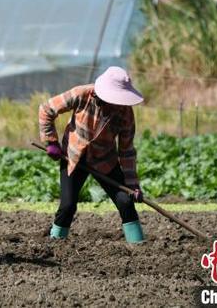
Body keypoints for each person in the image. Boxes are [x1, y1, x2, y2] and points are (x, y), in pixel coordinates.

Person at [38, 66, 145, 243]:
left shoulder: (125, 113)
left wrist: (133, 184)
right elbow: (46, 109)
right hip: (74, 157)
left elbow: (126, 150)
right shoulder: (82, 94)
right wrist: (51, 142)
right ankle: (55, 243)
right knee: (68, 206)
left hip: (105, 160)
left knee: (126, 202)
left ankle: (139, 245)